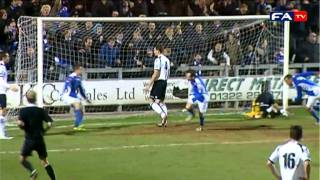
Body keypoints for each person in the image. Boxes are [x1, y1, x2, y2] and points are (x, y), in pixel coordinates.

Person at [17, 90, 56, 180]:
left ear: (27, 99)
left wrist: (23, 127)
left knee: (22, 159)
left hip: (29, 140)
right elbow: (50, 123)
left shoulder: (23, 111)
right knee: (44, 161)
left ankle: (33, 172)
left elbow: (20, 123)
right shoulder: (40, 110)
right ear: (35, 99)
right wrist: (44, 131)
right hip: (39, 139)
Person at [146, 45, 170, 127]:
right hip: (165, 81)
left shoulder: (158, 59)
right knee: (161, 101)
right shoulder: (167, 60)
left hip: (159, 81)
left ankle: (163, 115)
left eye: (154, 50)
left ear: (158, 51)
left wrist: (149, 84)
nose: (153, 51)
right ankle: (165, 121)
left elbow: (156, 73)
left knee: (151, 100)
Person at [62, 64, 91, 131]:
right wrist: (70, 90)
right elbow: (68, 86)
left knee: (81, 109)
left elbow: (81, 90)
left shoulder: (78, 78)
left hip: (72, 95)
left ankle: (76, 125)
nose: (82, 70)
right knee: (77, 105)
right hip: (67, 95)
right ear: (77, 69)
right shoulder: (71, 77)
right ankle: (79, 125)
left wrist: (86, 98)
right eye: (81, 69)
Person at [0, 52, 18, 139]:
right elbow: (1, 81)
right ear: (3, 57)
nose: (9, 58)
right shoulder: (1, 67)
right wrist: (10, 86)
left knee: (2, 112)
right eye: (7, 56)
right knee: (3, 112)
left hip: (2, 91)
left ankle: (2, 132)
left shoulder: (2, 66)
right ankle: (2, 134)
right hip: (1, 92)